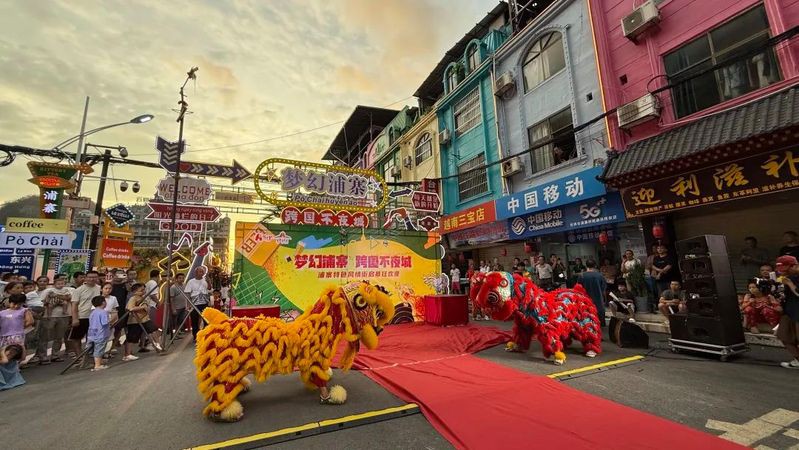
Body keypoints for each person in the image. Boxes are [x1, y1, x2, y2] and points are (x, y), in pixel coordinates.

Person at [38, 274, 72, 363]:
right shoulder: (48, 290)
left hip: (63, 316)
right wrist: (51, 300)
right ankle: (42, 356)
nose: (61, 283)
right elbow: (43, 302)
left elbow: (69, 298)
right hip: (48, 316)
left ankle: (55, 355)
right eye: (60, 281)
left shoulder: (68, 290)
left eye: (64, 280)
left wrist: (56, 296)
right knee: (45, 337)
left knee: (59, 337)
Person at [123, 283, 162, 361]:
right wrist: (142, 307)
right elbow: (130, 308)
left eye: (144, 290)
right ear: (135, 291)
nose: (143, 292)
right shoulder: (133, 298)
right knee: (132, 338)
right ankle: (127, 354)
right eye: (141, 290)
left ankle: (157, 343)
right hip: (135, 321)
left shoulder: (145, 298)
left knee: (154, 329)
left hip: (145, 319)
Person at [68, 270, 101, 358]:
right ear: (86, 278)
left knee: (93, 338)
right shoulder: (79, 290)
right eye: (90, 277)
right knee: (77, 338)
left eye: (94, 277)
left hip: (95, 317)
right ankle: (79, 356)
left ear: (97, 278)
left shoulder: (99, 288)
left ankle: (90, 356)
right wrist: (75, 318)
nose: (92, 279)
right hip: (82, 316)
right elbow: (74, 305)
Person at [775, 255, 799, 369]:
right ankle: (797, 359)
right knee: (784, 335)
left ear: (794, 266)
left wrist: (789, 283)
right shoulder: (784, 277)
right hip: (789, 310)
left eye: (786, 270)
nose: (783, 272)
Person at [0, 294, 34, 365]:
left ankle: (14, 367)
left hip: (16, 335)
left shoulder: (24, 310)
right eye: (14, 304)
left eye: (19, 304)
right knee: (4, 352)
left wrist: (19, 327)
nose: (16, 306)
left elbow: (30, 321)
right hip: (3, 335)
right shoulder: (2, 313)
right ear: (9, 302)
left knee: (13, 352)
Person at [24, 275, 49, 364]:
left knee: (42, 337)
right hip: (32, 318)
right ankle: (31, 357)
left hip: (44, 317)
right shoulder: (31, 294)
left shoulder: (49, 292)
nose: (42, 283)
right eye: (40, 281)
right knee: (30, 337)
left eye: (45, 281)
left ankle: (42, 356)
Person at [579, 260, 606, 334]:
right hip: (598, 299)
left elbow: (578, 288)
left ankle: (589, 333)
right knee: (598, 316)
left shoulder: (582, 275)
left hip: (585, 299)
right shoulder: (600, 275)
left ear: (586, 266)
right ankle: (598, 334)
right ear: (595, 266)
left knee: (587, 316)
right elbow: (603, 288)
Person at [184, 266, 210, 341]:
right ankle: (196, 336)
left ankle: (206, 335)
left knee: (206, 320)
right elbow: (187, 293)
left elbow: (209, 288)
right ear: (196, 273)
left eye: (203, 272)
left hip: (204, 303)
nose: (202, 273)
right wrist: (188, 305)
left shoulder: (205, 280)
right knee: (194, 321)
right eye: (200, 271)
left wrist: (208, 281)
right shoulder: (191, 281)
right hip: (194, 304)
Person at [86, 296, 111, 371]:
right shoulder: (103, 312)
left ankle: (95, 362)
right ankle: (97, 365)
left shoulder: (93, 312)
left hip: (92, 333)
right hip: (101, 334)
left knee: (91, 349)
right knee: (99, 349)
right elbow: (104, 323)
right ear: (103, 302)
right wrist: (111, 321)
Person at [169, 273, 189, 338]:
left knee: (180, 320)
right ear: (176, 279)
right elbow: (171, 299)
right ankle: (174, 335)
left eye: (182, 278)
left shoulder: (185, 285)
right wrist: (173, 309)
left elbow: (186, 295)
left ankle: (177, 332)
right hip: (176, 307)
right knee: (175, 321)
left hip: (183, 306)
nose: (181, 279)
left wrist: (187, 305)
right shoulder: (173, 287)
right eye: (180, 278)